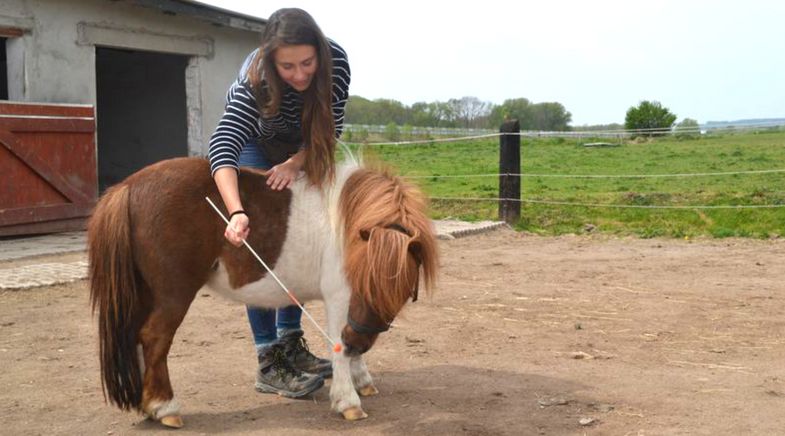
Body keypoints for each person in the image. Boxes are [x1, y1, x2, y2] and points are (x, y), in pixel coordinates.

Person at [207, 8, 350, 398]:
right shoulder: (253, 80)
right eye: (288, 66)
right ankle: (268, 359)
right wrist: (237, 210)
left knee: (304, 240)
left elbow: (329, 130)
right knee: (266, 234)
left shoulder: (336, 63)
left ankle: (291, 343)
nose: (300, 75)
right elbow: (222, 148)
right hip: (256, 141)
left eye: (307, 62)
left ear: (319, 52)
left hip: (304, 146)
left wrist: (295, 163)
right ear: (271, 60)